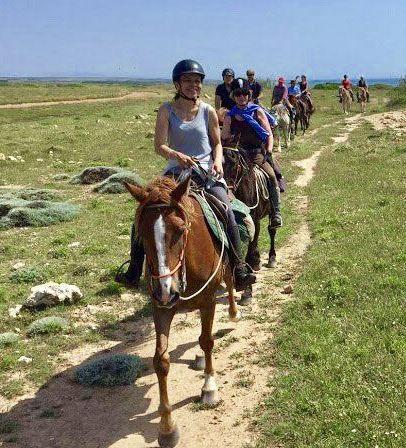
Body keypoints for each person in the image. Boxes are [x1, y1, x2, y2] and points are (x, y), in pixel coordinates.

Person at [115, 59, 255, 289]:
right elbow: (159, 145)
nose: (194, 85)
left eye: (197, 81)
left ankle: (238, 266)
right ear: (177, 84)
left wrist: (218, 161)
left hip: (206, 172)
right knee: (145, 211)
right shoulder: (166, 110)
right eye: (188, 80)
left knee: (226, 209)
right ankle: (134, 268)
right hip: (174, 173)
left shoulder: (208, 111)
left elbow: (217, 143)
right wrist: (177, 156)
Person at [222, 78, 283, 227]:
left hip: (256, 154)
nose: (241, 97)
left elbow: (268, 133)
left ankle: (275, 212)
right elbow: (224, 138)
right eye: (238, 94)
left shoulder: (257, 111)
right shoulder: (229, 116)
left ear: (248, 95)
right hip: (237, 155)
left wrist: (268, 151)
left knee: (271, 176)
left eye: (244, 94)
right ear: (233, 96)